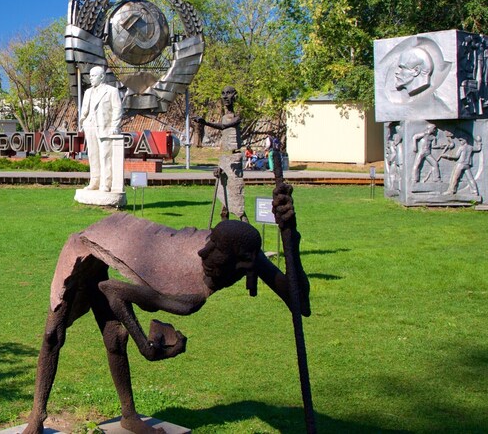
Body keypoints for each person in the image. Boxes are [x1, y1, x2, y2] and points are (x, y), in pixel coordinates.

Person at [22, 183, 310, 434]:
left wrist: (290, 234)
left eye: (215, 251)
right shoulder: (202, 269)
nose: (203, 252)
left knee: (114, 337)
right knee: (52, 335)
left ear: (242, 263)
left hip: (122, 246)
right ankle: (36, 417)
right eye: (209, 242)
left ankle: (129, 416)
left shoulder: (200, 288)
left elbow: (299, 303)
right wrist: (146, 348)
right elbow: (109, 289)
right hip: (88, 244)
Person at [198, 86, 247, 222]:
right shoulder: (225, 117)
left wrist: (206, 122)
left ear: (235, 96)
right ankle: (223, 233)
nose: (225, 97)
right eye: (223, 93)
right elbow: (223, 126)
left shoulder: (237, 117)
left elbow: (224, 127)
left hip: (234, 159)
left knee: (237, 203)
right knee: (224, 202)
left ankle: (247, 230)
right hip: (225, 158)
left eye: (229, 93)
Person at [78, 66, 123, 192]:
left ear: (102, 76)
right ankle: (95, 182)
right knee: (93, 156)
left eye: (93, 76)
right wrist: (83, 122)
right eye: (90, 76)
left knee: (105, 157)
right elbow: (85, 109)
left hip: (105, 128)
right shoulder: (88, 92)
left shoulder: (112, 91)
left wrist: (114, 126)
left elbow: (117, 109)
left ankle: (105, 183)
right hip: (90, 126)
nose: (91, 78)